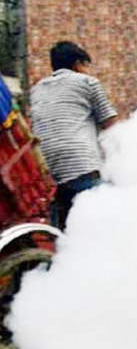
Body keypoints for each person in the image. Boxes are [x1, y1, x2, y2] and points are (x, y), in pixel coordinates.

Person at [30, 41, 118, 230]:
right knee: (111, 218)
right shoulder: (88, 82)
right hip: (81, 164)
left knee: (65, 227)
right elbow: (111, 126)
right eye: (86, 65)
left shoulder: (37, 89)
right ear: (78, 64)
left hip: (49, 171)